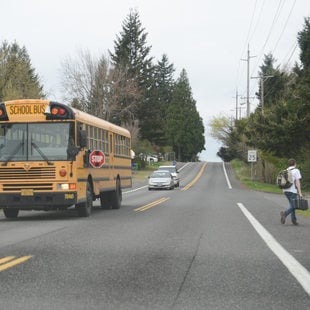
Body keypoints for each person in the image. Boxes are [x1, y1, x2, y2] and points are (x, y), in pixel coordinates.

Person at [280, 158, 302, 225]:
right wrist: (300, 192)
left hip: (285, 190)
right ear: (295, 164)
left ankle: (294, 220)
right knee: (294, 205)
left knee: (292, 205)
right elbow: (298, 182)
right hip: (292, 191)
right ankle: (285, 213)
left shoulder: (285, 170)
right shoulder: (296, 170)